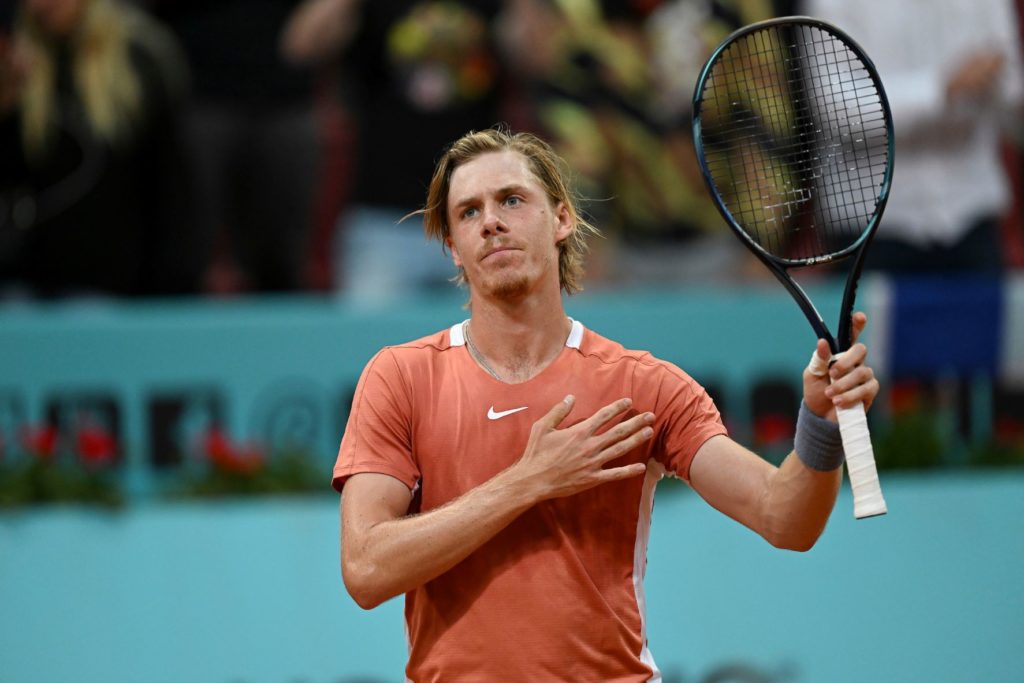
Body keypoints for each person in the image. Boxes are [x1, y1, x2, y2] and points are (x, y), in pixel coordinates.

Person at [332, 128, 879, 681]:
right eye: (468, 212)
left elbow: (785, 518)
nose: (491, 221)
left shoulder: (644, 386)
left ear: (562, 220)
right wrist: (527, 481)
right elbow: (365, 568)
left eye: (512, 200)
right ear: (453, 246)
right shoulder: (401, 376)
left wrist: (822, 422)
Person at [802, 0, 1024, 274]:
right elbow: (835, 108)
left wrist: (999, 87)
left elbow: (1011, 89)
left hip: (973, 210)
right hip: (873, 222)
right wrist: (940, 88)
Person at [0, 0, 195, 298]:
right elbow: (14, 185)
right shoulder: (15, 69)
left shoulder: (139, 62)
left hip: (110, 287)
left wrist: (164, 290)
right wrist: (8, 113)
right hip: (23, 283)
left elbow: (169, 187)